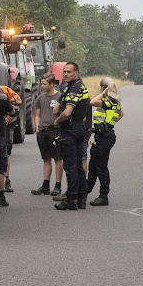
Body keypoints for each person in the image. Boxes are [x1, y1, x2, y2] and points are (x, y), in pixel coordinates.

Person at [52, 62, 89, 210]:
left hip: (70, 129)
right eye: (64, 72)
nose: (66, 74)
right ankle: (82, 198)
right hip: (79, 128)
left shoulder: (73, 89)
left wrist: (57, 121)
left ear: (76, 73)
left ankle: (71, 199)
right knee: (78, 165)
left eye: (69, 72)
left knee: (70, 166)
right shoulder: (81, 87)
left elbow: (67, 112)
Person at [86, 78, 124, 206]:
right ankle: (85, 191)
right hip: (103, 135)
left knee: (100, 167)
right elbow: (121, 114)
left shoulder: (109, 100)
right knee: (94, 165)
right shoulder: (115, 101)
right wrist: (109, 124)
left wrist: (103, 93)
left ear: (104, 88)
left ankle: (103, 195)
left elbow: (92, 102)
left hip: (104, 137)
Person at [31, 73, 63, 195]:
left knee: (57, 158)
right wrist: (37, 127)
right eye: (41, 84)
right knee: (46, 158)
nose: (42, 86)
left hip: (54, 130)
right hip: (42, 131)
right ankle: (45, 185)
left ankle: (58, 185)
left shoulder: (60, 97)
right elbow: (37, 114)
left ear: (51, 84)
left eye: (44, 84)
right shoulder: (40, 98)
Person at [0, 84, 22, 193]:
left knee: (6, 153)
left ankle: (7, 180)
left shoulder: (4, 90)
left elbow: (16, 102)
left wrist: (9, 115)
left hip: (4, 126)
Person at [0, 89, 15, 207]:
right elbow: (12, 111)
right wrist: (8, 114)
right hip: (0, 135)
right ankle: (1, 196)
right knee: (1, 167)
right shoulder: (2, 97)